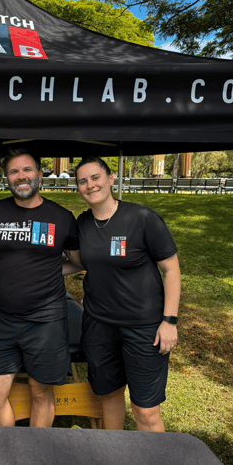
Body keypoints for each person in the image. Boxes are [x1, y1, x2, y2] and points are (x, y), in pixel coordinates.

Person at [64, 156, 180, 432]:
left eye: (95, 178)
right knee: (108, 395)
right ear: (78, 188)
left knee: (146, 410)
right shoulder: (82, 223)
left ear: (110, 178)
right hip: (98, 325)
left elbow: (171, 269)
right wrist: (38, 270)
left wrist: (170, 321)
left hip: (144, 327)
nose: (90, 185)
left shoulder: (142, 218)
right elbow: (80, 262)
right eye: (83, 181)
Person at [0, 148, 79, 428]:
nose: (21, 177)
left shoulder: (62, 217)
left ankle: (34, 454)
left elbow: (77, 262)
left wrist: (53, 269)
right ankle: (12, 451)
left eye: (27, 170)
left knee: (40, 392)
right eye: (14, 172)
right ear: (6, 178)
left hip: (46, 322)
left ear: (40, 174)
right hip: (4, 319)